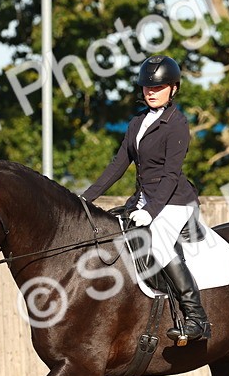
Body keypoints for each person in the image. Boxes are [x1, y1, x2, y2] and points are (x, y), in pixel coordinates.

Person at [80, 55, 212, 343]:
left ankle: (196, 317)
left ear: (173, 88)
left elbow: (170, 174)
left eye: (159, 87)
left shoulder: (177, 123)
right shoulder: (137, 122)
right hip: (143, 200)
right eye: (147, 87)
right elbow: (118, 165)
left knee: (161, 244)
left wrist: (151, 211)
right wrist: (84, 199)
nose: (151, 91)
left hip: (174, 202)